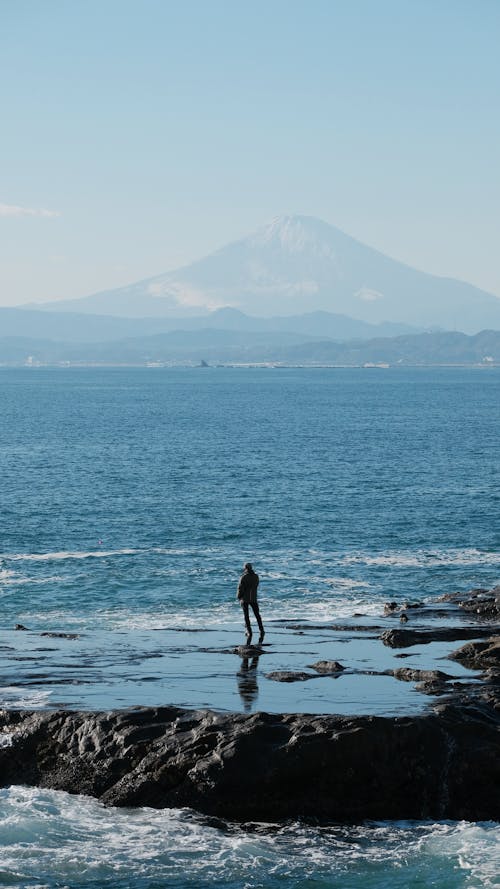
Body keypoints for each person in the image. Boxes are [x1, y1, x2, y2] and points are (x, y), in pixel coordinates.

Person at [237, 562, 265, 643]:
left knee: (246, 615)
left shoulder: (243, 577)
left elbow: (240, 588)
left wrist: (239, 597)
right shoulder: (256, 576)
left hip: (245, 599)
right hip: (253, 598)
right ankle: (261, 629)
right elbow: (256, 586)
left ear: (245, 568)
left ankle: (249, 631)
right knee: (257, 614)